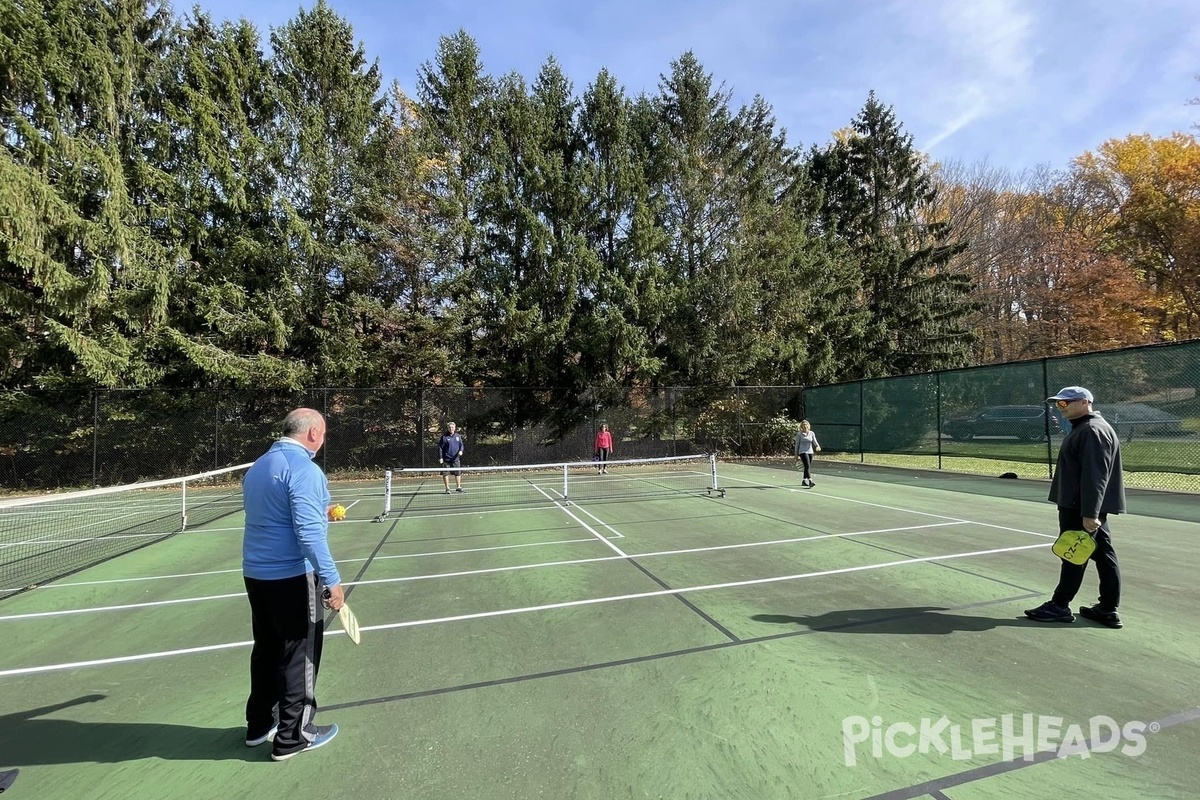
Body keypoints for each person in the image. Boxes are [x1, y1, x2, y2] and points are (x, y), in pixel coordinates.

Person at [242, 407, 343, 760]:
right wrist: (332, 579)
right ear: (313, 433)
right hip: (292, 577)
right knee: (298, 656)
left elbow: (277, 513)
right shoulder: (305, 469)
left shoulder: (258, 467)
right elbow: (308, 533)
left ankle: (259, 724)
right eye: (325, 433)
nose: (324, 440)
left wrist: (324, 509)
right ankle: (293, 735)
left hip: (256, 575)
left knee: (267, 649)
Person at [1025, 386, 1126, 628]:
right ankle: (1107, 609)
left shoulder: (1092, 431)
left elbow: (1095, 475)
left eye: (1065, 403)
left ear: (1084, 402)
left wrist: (1089, 514)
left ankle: (1060, 605)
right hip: (1081, 506)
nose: (1061, 408)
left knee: (1074, 554)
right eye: (1059, 404)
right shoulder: (1087, 428)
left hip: (1080, 507)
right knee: (1103, 555)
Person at [439, 421, 465, 493]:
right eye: (449, 427)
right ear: (447, 428)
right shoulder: (444, 437)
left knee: (458, 473)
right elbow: (440, 448)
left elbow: (461, 445)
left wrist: (461, 451)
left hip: (456, 459)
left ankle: (458, 487)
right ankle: (447, 488)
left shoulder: (458, 436)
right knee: (445, 473)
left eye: (452, 427)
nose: (451, 429)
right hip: (446, 459)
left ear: (455, 428)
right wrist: (441, 457)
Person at [794, 420, 821, 488]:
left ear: (808, 426)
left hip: (810, 452)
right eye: (803, 425)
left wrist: (818, 446)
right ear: (801, 426)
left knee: (807, 466)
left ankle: (804, 480)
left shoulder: (812, 433)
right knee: (807, 465)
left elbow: (815, 441)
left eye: (806, 425)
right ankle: (810, 481)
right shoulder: (799, 434)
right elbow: (797, 445)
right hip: (802, 451)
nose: (805, 426)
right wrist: (796, 454)